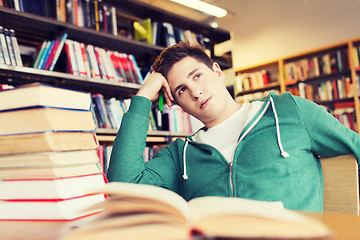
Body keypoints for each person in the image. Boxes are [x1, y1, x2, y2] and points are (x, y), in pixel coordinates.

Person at [107, 41, 360, 212]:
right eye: (181, 89)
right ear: (176, 103)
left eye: (197, 75)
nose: (195, 91)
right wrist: (143, 98)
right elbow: (122, 190)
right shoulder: (180, 155)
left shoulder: (287, 110)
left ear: (217, 71)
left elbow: (355, 146)